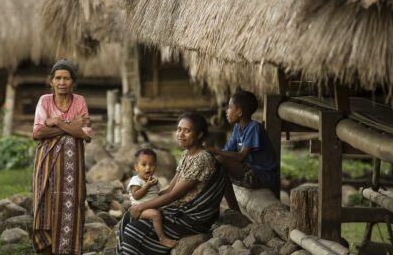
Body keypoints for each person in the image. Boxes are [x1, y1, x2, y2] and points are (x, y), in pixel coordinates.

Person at [117, 113, 226, 255]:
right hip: (178, 209)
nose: (181, 134)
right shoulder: (187, 154)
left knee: (134, 230)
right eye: (179, 129)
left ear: (199, 135)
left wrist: (142, 206)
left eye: (187, 131)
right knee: (128, 218)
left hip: (190, 217)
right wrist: (148, 197)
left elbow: (173, 195)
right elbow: (169, 189)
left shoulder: (202, 159)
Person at [31, 59, 92, 255]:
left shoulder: (80, 101)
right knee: (44, 206)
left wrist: (56, 122)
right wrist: (71, 126)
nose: (62, 82)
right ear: (51, 81)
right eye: (58, 78)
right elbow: (38, 133)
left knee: (71, 207)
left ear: (73, 82)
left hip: (72, 170)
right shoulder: (45, 101)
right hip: (47, 163)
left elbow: (86, 134)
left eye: (66, 78)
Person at [206, 88, 278, 211]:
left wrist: (214, 150)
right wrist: (207, 151)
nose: (227, 111)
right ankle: (234, 210)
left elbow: (241, 156)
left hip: (262, 176)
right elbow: (227, 150)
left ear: (239, 111)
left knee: (220, 161)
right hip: (248, 173)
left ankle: (229, 209)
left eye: (230, 108)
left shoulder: (254, 127)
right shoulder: (237, 128)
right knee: (217, 166)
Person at [127, 149, 177, 248]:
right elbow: (136, 195)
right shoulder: (136, 180)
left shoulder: (153, 180)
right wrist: (147, 186)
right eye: (144, 165)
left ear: (156, 166)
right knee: (156, 215)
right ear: (136, 167)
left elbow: (156, 194)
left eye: (152, 165)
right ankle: (162, 239)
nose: (148, 168)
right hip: (140, 210)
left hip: (152, 206)